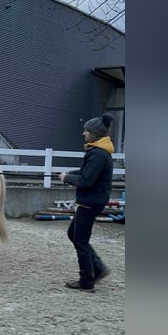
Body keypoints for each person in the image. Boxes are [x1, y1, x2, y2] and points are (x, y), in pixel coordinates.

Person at [58, 113, 115, 291]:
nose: (84, 134)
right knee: (73, 234)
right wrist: (68, 174)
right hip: (92, 201)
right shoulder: (97, 151)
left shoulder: (98, 153)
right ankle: (97, 268)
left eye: (86, 131)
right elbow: (85, 172)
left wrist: (67, 177)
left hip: (90, 202)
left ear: (94, 134)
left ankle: (87, 281)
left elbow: (86, 180)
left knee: (80, 240)